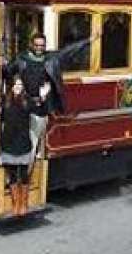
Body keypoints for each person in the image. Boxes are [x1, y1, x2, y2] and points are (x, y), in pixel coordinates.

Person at [5, 32, 93, 170]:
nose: (39, 48)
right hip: (24, 105)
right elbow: (7, 71)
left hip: (41, 107)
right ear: (31, 45)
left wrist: (88, 40)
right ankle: (20, 173)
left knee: (33, 142)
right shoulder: (21, 59)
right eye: (36, 45)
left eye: (42, 45)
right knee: (22, 140)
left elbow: (69, 51)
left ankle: (26, 175)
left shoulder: (51, 59)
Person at [0, 76, 33, 215]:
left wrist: (43, 98)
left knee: (23, 173)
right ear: (11, 86)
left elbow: (39, 110)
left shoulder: (27, 101)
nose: (18, 87)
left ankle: (24, 202)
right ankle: (15, 204)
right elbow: (1, 118)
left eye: (20, 84)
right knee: (12, 174)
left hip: (23, 140)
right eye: (16, 84)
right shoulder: (5, 101)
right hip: (8, 141)